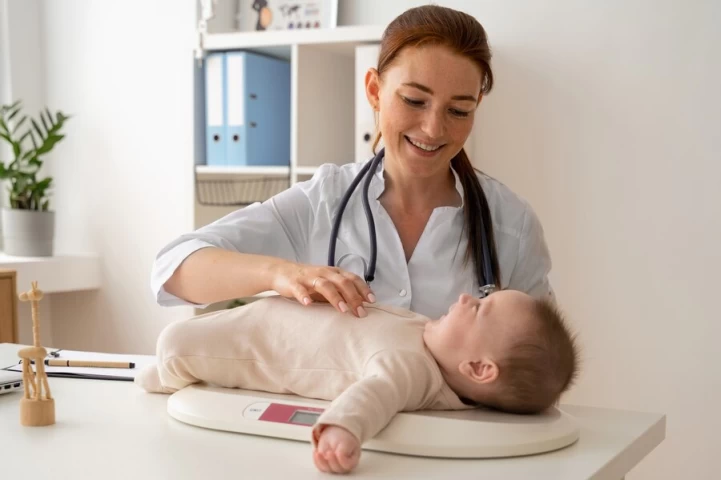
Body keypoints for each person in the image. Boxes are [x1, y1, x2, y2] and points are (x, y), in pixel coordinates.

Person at [150, 5, 556, 321]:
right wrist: (282, 274)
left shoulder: (511, 225)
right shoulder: (324, 200)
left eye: (459, 110)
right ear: (375, 91)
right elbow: (173, 269)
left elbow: (539, 365)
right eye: (414, 101)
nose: (433, 129)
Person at [136, 289, 579, 474]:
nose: (466, 297)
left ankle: (170, 374)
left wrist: (343, 428)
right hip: (270, 311)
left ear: (479, 370)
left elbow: (375, 395)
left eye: (480, 307)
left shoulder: (413, 369)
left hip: (260, 342)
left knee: (174, 342)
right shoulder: (430, 339)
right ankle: (173, 373)